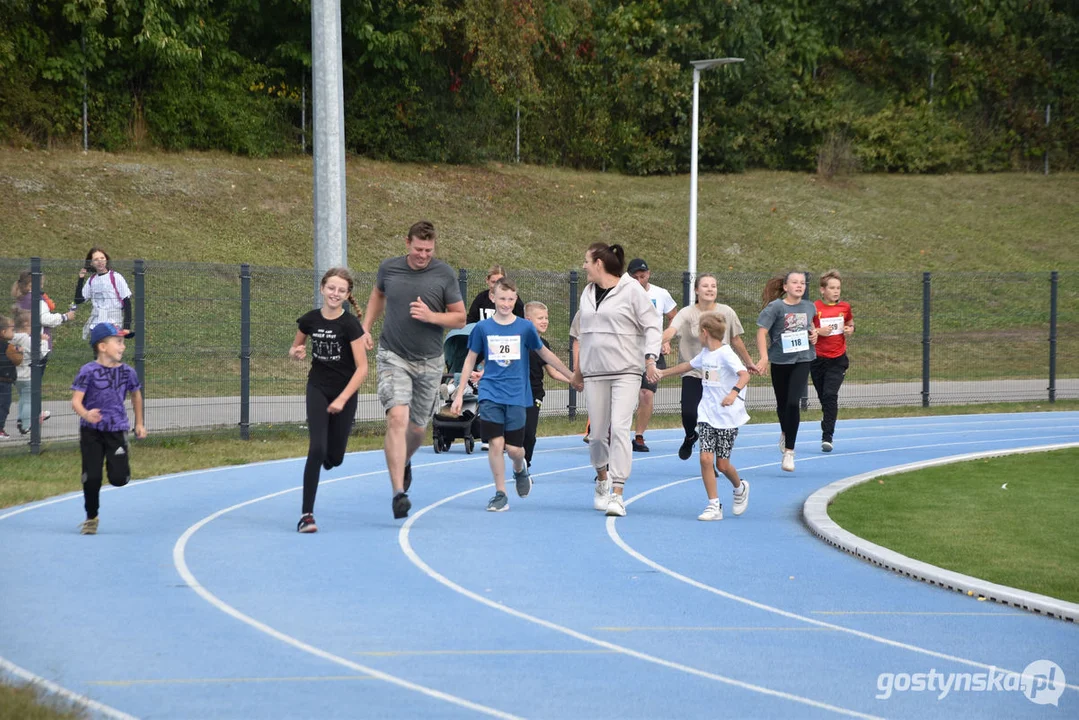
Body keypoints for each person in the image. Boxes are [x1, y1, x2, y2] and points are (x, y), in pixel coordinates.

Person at [362, 221, 466, 519]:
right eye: (419, 249)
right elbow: (377, 295)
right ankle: (398, 493)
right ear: (407, 243)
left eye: (429, 250)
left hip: (430, 361)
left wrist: (431, 316)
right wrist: (365, 327)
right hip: (393, 355)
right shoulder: (389, 269)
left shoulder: (444, 274)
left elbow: (459, 319)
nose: (423, 255)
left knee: (418, 429)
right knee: (397, 417)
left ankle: (404, 461)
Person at [451, 279, 577, 511]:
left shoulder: (525, 328)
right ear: (493, 299)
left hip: (518, 395)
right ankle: (500, 493)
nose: (506, 304)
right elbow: (470, 359)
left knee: (515, 449)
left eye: (511, 299)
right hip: (490, 393)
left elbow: (546, 354)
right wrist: (459, 394)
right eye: (502, 299)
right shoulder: (482, 329)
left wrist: (572, 375)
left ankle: (520, 469)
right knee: (496, 444)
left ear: (516, 299)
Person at [570, 242, 662, 518]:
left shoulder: (631, 289)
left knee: (620, 429)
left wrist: (650, 358)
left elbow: (653, 324)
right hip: (595, 372)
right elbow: (580, 332)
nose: (583, 266)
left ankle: (618, 493)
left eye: (587, 261)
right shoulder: (586, 294)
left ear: (599, 263)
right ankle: (602, 478)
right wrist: (577, 369)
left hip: (626, 371)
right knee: (597, 436)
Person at [288, 268, 368, 533]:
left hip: (345, 392)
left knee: (335, 456)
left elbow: (362, 368)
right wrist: (296, 353)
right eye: (331, 288)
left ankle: (330, 455)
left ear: (347, 295)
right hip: (318, 388)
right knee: (317, 448)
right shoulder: (309, 320)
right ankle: (306, 515)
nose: (335, 294)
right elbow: (295, 347)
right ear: (322, 288)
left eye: (341, 290)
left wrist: (343, 399)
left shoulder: (350, 325)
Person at [658, 313, 751, 520]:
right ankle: (714, 505)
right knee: (705, 458)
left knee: (722, 465)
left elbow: (744, 374)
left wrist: (733, 393)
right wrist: (662, 373)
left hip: (727, 416)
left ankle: (740, 487)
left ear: (704, 332)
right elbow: (686, 366)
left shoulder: (726, 354)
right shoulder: (705, 353)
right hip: (707, 414)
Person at [663, 273, 757, 461]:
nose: (710, 289)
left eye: (713, 285)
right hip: (693, 369)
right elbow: (672, 330)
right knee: (689, 413)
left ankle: (709, 461)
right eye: (705, 286)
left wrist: (749, 362)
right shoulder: (687, 313)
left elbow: (735, 339)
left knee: (713, 418)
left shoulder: (726, 312)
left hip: (717, 375)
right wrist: (658, 343)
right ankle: (690, 436)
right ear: (697, 290)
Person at [71, 323, 147, 535]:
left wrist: (139, 423)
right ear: (102, 347)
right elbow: (76, 401)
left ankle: (121, 466)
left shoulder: (127, 372)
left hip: (116, 430)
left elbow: (136, 395)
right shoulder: (88, 371)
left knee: (118, 479)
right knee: (92, 477)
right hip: (91, 432)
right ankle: (91, 517)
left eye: (123, 342)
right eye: (119, 342)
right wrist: (86, 414)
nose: (123, 347)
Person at [755, 271, 818, 472]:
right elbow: (761, 331)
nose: (799, 286)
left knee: (793, 403)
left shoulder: (810, 306)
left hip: (803, 358)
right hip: (781, 360)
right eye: (795, 282)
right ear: (785, 287)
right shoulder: (776, 307)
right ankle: (785, 431)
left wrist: (814, 334)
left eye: (802, 283)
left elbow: (812, 326)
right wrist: (764, 357)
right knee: (782, 405)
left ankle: (790, 452)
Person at [626, 258, 678, 452]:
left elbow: (674, 316)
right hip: (628, 350)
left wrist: (666, 340)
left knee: (646, 393)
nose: (640, 280)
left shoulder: (660, 294)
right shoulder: (623, 294)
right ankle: (616, 434)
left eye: (643, 276)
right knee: (626, 393)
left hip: (652, 350)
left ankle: (639, 436)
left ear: (649, 274)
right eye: (635, 277)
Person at [523, 301, 572, 469]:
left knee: (529, 434)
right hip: (515, 393)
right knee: (514, 433)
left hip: (534, 394)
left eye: (546, 318)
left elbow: (553, 371)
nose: (545, 321)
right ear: (528, 319)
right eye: (540, 318)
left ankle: (525, 467)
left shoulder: (544, 344)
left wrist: (573, 380)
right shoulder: (517, 339)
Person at [811, 270, 854, 452]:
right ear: (823, 290)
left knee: (830, 395)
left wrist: (850, 329)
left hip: (837, 359)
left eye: (838, 288)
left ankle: (827, 436)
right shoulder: (814, 308)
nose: (836, 291)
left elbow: (850, 323)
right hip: (817, 359)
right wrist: (818, 332)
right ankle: (827, 419)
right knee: (824, 398)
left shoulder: (844, 307)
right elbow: (807, 329)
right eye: (832, 288)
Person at [11, 270, 76, 381]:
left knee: (25, 377)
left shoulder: (22, 298)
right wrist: (65, 317)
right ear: (33, 284)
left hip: (22, 341)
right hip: (37, 344)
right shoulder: (37, 300)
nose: (42, 286)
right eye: (41, 283)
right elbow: (45, 319)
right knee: (35, 381)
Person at [73, 247, 133, 339]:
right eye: (96, 259)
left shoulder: (116, 277)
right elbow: (79, 300)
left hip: (113, 323)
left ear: (106, 260)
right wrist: (81, 278)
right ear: (91, 263)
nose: (100, 261)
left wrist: (126, 327)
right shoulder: (92, 280)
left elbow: (126, 301)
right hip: (96, 324)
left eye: (102, 258)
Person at [11, 310, 51, 436]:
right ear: (26, 324)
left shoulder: (13, 338)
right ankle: (26, 425)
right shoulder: (26, 339)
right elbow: (39, 354)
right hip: (27, 374)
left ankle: (21, 419)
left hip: (16, 375)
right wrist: (44, 342)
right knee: (29, 400)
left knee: (23, 398)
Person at [0, 315, 21, 440]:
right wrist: (19, 351)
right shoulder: (9, 347)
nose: (13, 333)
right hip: (5, 381)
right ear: (3, 332)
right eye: (12, 330)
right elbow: (17, 360)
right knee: (4, 406)